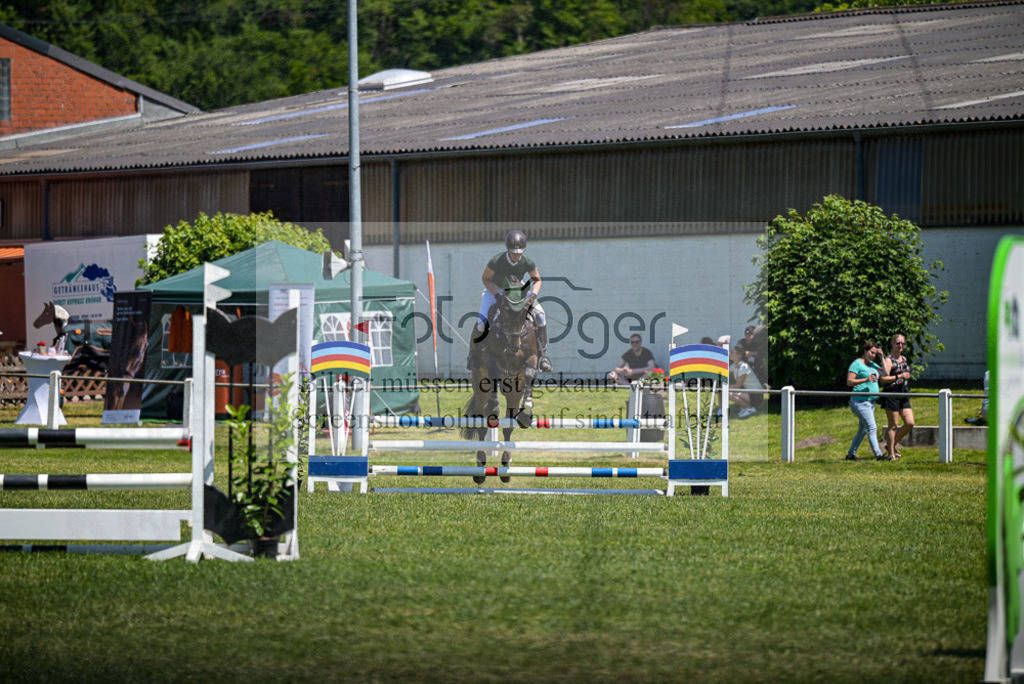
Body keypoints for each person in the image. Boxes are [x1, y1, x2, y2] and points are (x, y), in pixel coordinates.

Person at [468, 229, 552, 372]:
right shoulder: (496, 261)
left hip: (518, 290)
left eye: (519, 253)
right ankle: (473, 356)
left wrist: (533, 295)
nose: (516, 256)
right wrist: (496, 294)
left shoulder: (527, 261)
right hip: (496, 290)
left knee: (541, 316)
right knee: (482, 324)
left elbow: (537, 280)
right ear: (508, 249)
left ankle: (543, 356)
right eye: (513, 253)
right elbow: (485, 278)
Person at [847, 341, 889, 461]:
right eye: (872, 352)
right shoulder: (856, 364)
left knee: (862, 430)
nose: (873, 355)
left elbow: (885, 373)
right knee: (871, 427)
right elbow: (849, 382)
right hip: (859, 402)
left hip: (871, 402)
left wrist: (882, 357)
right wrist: (866, 379)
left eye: (875, 354)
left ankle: (851, 455)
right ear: (865, 351)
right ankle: (878, 455)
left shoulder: (872, 365)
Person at [880, 334, 914, 459]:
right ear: (892, 344)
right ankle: (891, 454)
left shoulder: (904, 358)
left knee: (910, 423)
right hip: (891, 393)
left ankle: (891, 445)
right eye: (897, 343)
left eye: (902, 343)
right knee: (893, 424)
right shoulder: (889, 360)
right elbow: (883, 379)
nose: (900, 346)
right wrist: (900, 376)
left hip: (903, 392)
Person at [728, 345, 764, 419]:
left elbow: (737, 386)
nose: (729, 354)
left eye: (732, 352)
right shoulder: (734, 365)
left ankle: (749, 408)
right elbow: (725, 374)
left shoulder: (743, 367)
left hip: (757, 396)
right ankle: (745, 407)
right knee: (730, 392)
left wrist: (726, 387)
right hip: (750, 393)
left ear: (739, 355)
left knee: (729, 394)